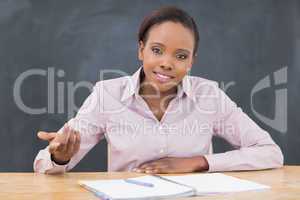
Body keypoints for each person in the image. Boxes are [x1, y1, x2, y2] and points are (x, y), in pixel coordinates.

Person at [34, 6, 283, 174]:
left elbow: (270, 153)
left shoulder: (209, 96)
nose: (166, 62)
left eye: (181, 55)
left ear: (191, 61)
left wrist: (198, 163)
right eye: (157, 50)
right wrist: (60, 157)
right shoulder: (107, 95)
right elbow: (46, 165)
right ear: (141, 49)